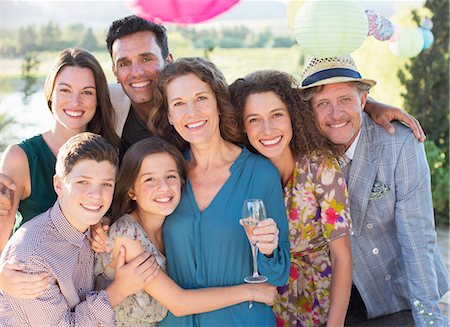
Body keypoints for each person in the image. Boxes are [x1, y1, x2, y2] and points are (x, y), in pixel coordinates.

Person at [299, 55, 449, 326]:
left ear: (364, 100)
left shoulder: (399, 144)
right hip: (331, 299)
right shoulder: (300, 148)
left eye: (345, 99)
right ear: (309, 111)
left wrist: (429, 317)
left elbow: (418, 238)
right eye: (322, 103)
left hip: (395, 293)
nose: (335, 114)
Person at [143, 57, 290, 326]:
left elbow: (279, 275)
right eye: (179, 104)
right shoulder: (165, 177)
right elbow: (136, 226)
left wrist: (268, 251)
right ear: (170, 117)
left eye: (201, 98)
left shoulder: (260, 174)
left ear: (218, 104)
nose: (192, 112)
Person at [95, 136, 277, 326]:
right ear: (131, 190)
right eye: (150, 179)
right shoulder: (127, 238)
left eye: (170, 176)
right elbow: (179, 303)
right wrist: (251, 292)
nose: (163, 187)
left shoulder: (169, 227)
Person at [230, 70, 352, 326]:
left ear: (292, 117)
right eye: (254, 119)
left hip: (319, 297)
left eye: (276, 115)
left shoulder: (320, 167)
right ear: (243, 126)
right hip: (264, 298)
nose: (267, 129)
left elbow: (341, 255)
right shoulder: (243, 173)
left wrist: (336, 324)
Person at [0, 132, 158, 326]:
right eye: (83, 182)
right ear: (58, 184)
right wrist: (119, 290)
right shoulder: (33, 258)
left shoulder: (91, 232)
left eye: (106, 184)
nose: (96, 194)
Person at [0, 47, 120, 253]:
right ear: (50, 94)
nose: (75, 101)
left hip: (90, 281)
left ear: (98, 99)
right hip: (33, 278)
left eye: (87, 92)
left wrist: (105, 224)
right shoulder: (20, 158)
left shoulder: (112, 154)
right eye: (65, 90)